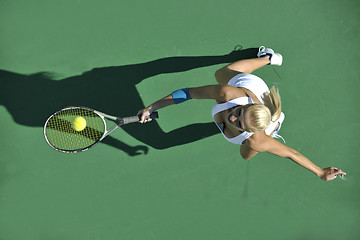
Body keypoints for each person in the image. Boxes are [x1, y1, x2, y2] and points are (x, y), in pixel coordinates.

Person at [137, 46, 346, 181]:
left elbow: (291, 152)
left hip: (265, 128)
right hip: (253, 86)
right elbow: (189, 93)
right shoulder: (227, 94)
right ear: (243, 105)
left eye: (239, 122)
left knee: (248, 153)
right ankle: (268, 58)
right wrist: (153, 107)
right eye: (238, 112)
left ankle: (268, 127)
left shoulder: (256, 139)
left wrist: (320, 172)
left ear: (248, 130)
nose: (232, 117)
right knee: (221, 74)